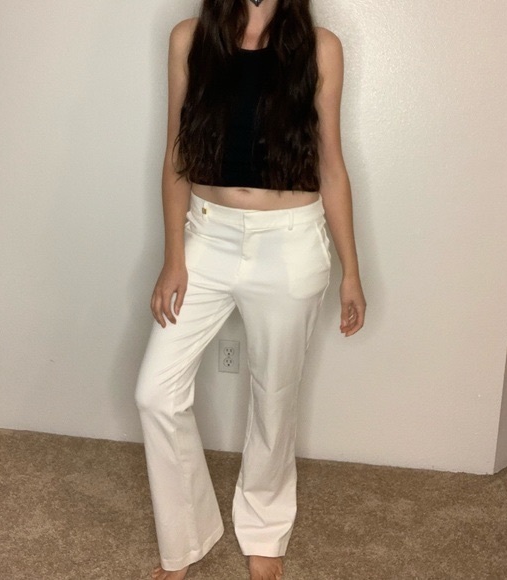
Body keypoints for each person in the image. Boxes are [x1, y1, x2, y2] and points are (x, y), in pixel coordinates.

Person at [135, 0, 366, 578]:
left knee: (275, 396)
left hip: (290, 240)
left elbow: (332, 164)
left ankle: (264, 529)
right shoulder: (189, 38)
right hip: (206, 236)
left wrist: (352, 271)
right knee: (155, 393)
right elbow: (176, 154)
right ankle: (187, 537)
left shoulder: (321, 48)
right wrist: (173, 257)